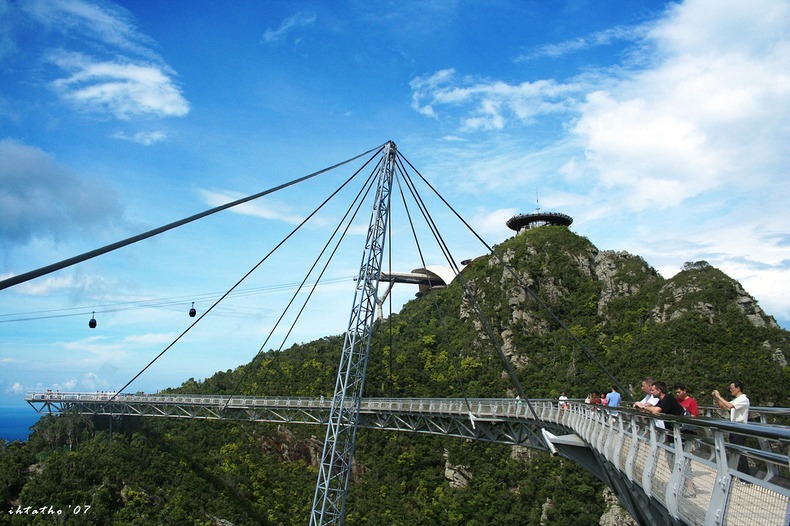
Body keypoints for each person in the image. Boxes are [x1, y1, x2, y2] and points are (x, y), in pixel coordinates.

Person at [712, 381, 751, 476]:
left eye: (732, 388)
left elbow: (729, 406)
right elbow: (723, 406)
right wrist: (716, 398)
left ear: (738, 389)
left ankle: (745, 477)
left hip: (740, 428)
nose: (730, 390)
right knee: (734, 452)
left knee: (740, 453)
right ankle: (737, 474)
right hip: (734, 428)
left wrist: (719, 396)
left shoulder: (743, 399)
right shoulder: (737, 399)